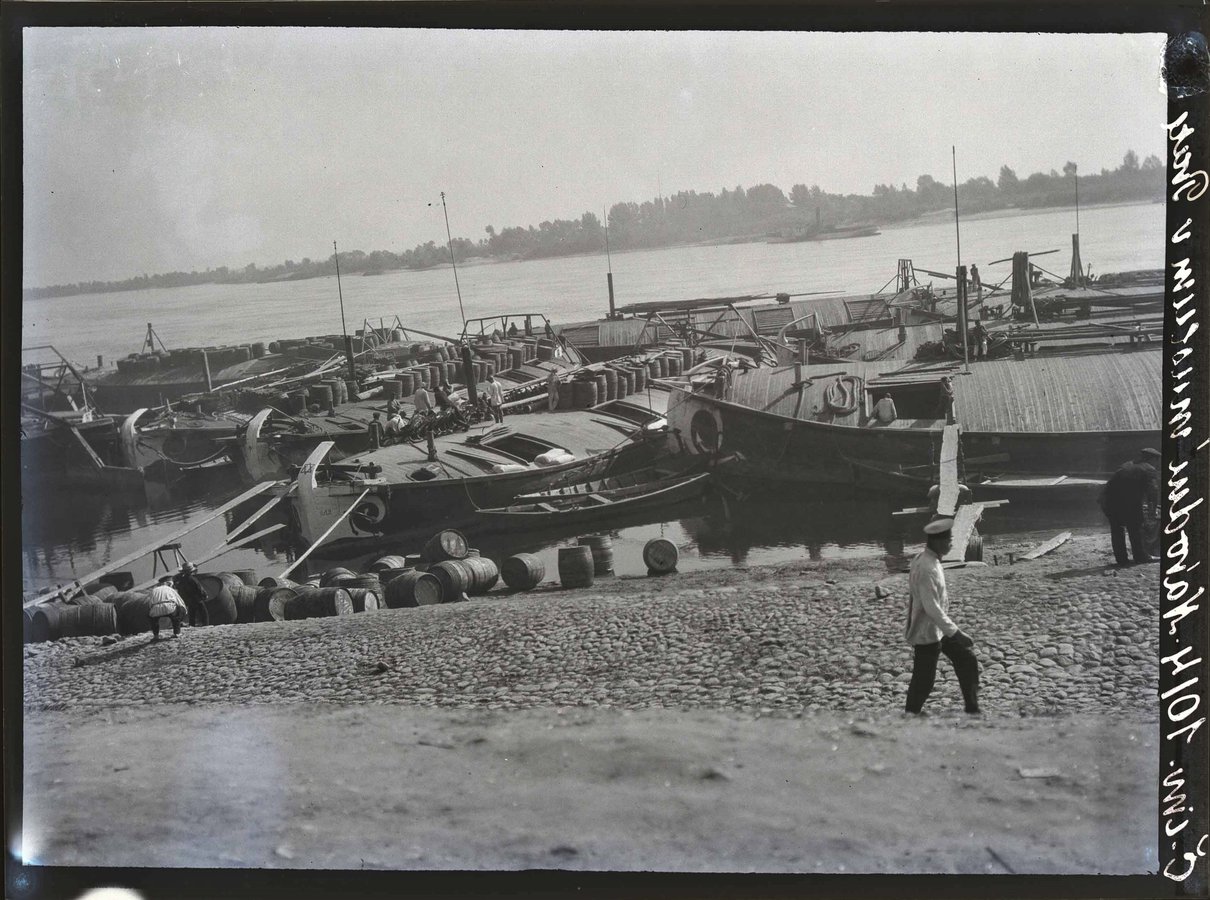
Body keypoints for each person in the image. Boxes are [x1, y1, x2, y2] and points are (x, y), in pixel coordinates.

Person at [904, 518, 980, 715]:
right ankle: (910, 716)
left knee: (966, 659)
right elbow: (931, 608)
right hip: (927, 632)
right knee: (924, 681)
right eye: (949, 541)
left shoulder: (927, 559)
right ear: (937, 542)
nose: (951, 544)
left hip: (938, 628)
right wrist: (956, 633)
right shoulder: (926, 567)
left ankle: (972, 709)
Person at [1099, 448, 1161, 565]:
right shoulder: (1149, 469)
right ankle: (1141, 557)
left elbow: (1111, 485)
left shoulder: (1126, 465)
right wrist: (1153, 511)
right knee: (1136, 528)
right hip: (1129, 503)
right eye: (1157, 460)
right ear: (1153, 459)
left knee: (1117, 530)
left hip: (1109, 501)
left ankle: (1121, 560)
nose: (1157, 464)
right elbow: (1153, 492)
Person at [173, 561, 209, 628]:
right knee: (203, 612)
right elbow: (199, 588)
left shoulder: (182, 580)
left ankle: (192, 625)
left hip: (189, 599)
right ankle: (205, 625)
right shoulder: (193, 579)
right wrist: (204, 595)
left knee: (192, 613)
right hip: (197, 598)